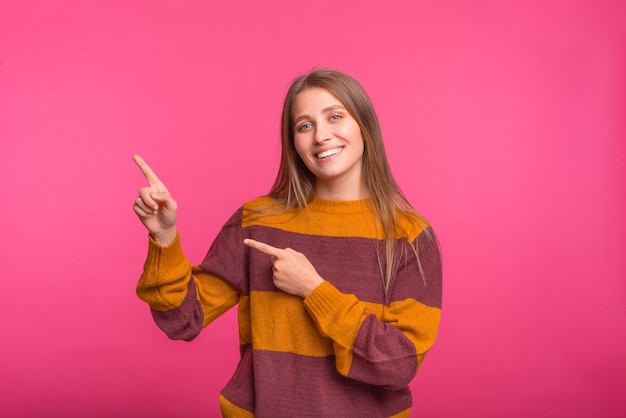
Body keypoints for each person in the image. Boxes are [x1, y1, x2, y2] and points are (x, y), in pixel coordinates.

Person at [133, 69, 442, 417]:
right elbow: (181, 320)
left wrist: (314, 290)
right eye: (304, 126)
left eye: (335, 117)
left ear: (364, 125)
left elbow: (398, 364)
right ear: (293, 141)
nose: (321, 136)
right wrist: (164, 238)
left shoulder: (410, 236)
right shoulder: (258, 222)